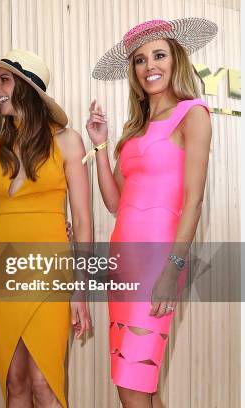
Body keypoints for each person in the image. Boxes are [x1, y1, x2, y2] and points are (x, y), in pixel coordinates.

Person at [87, 18, 217, 407]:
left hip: (160, 262)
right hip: (122, 262)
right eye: (140, 60)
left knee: (132, 384)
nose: (149, 66)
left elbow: (193, 202)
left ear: (175, 59)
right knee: (139, 384)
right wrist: (100, 147)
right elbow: (115, 203)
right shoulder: (134, 128)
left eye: (158, 55)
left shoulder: (193, 114)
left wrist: (173, 268)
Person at [0, 49, 91, 407]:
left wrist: (81, 291)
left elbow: (82, 220)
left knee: (44, 383)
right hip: (0, 274)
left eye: (4, 80)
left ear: (27, 89)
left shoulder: (68, 141)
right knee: (14, 382)